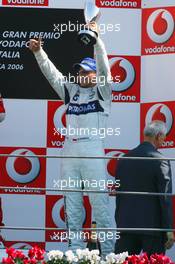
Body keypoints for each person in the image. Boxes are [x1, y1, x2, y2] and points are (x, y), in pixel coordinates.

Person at [29, 22, 114, 257]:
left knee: (100, 207)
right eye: (79, 71)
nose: (80, 74)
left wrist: (97, 41)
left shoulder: (103, 91)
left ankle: (108, 255)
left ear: (94, 74)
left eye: (85, 71)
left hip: (93, 150)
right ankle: (76, 252)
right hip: (70, 152)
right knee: (73, 206)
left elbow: (105, 69)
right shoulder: (70, 91)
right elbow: (52, 74)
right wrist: (39, 53)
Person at [115, 120, 174, 256]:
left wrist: (120, 224)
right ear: (158, 136)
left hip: (126, 225)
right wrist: (168, 229)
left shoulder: (123, 160)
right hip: (152, 228)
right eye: (164, 137)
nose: (164, 140)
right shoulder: (160, 159)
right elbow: (164, 197)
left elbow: (119, 195)